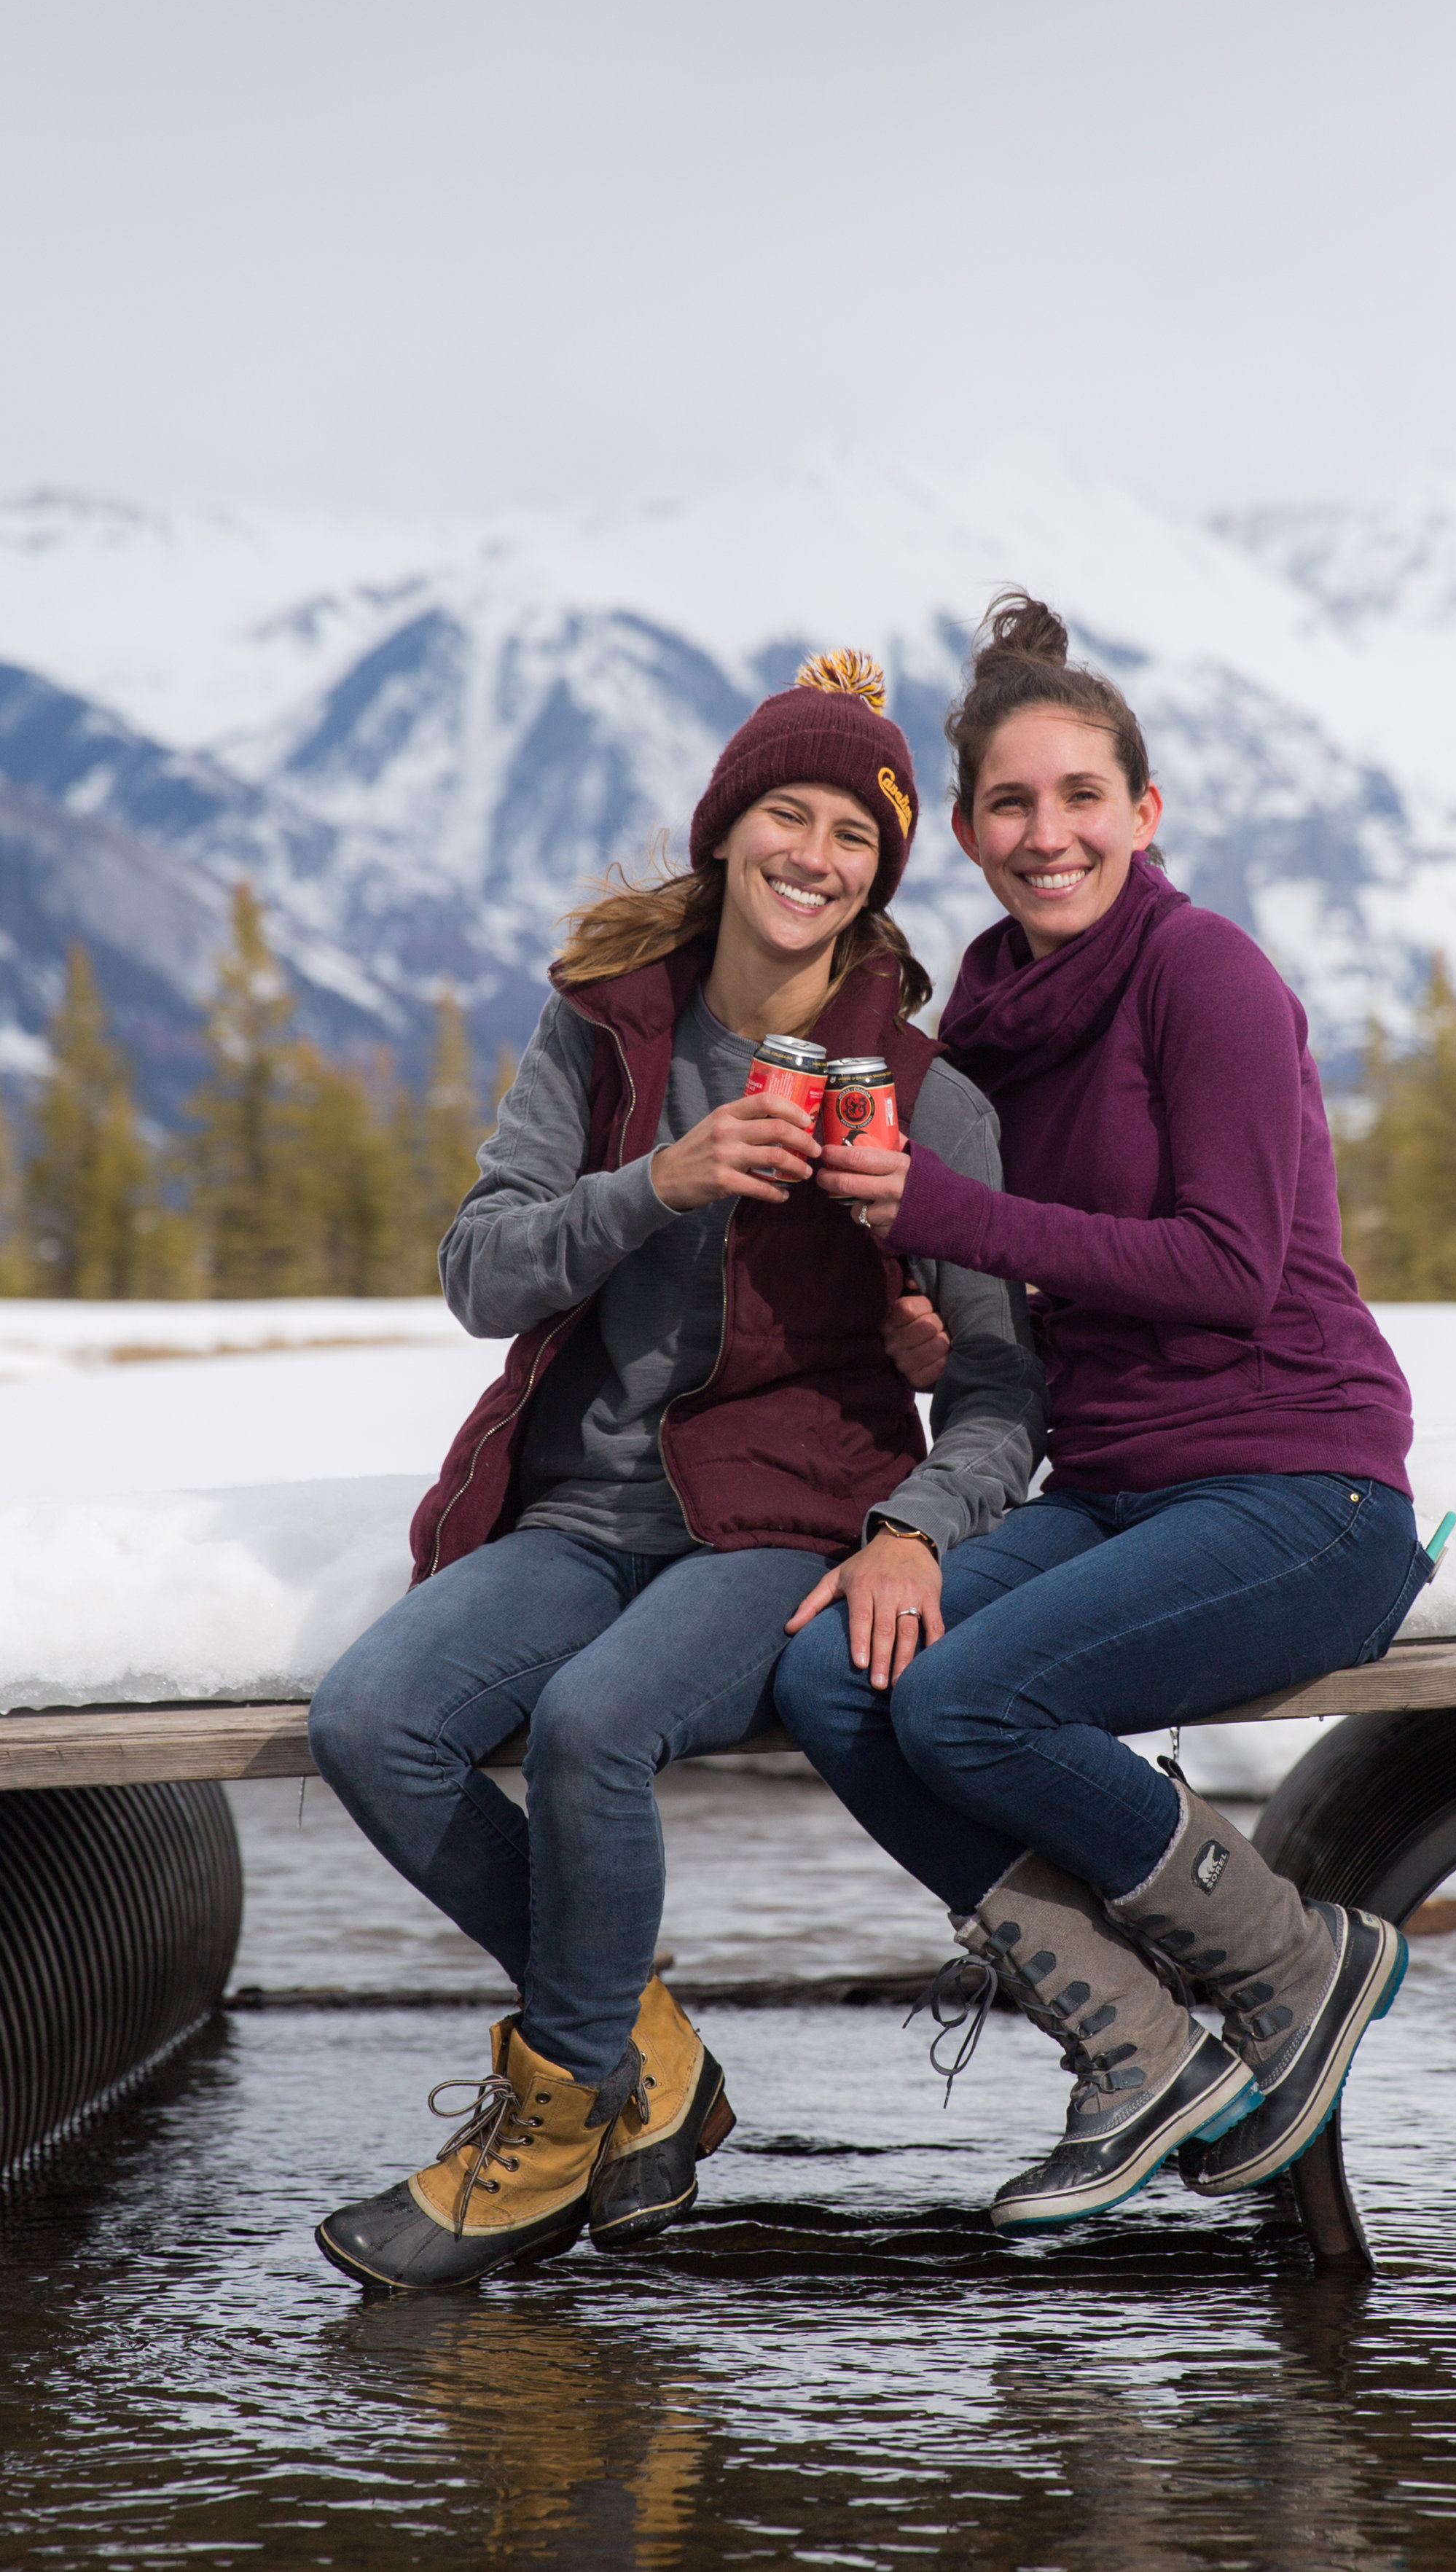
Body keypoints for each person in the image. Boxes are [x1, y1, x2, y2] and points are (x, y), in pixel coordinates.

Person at [308, 651, 1046, 2294]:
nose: (814, 854)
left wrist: (917, 1525)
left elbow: (999, 1396)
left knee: (591, 1725)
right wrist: (656, 1182)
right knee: (370, 1722)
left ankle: (552, 2125)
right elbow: (480, 1270)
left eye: (852, 835)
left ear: (877, 875)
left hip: (779, 1527)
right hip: (576, 1513)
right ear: (724, 838)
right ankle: (644, 2048)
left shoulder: (932, 1104)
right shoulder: (600, 1042)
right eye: (784, 814)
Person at [775, 595, 1431, 2235]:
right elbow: (1050, 1286)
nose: (1045, 832)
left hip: (1300, 1489)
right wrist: (939, 1328)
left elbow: (1222, 1270)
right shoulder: (983, 1025)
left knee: (970, 1706)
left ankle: (1292, 1961)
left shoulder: (1202, 974)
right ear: (970, 837)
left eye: (1080, 797)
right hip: (1118, 1486)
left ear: (1144, 813)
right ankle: (1136, 2044)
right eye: (1008, 804)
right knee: (831, 1674)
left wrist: (957, 1214)